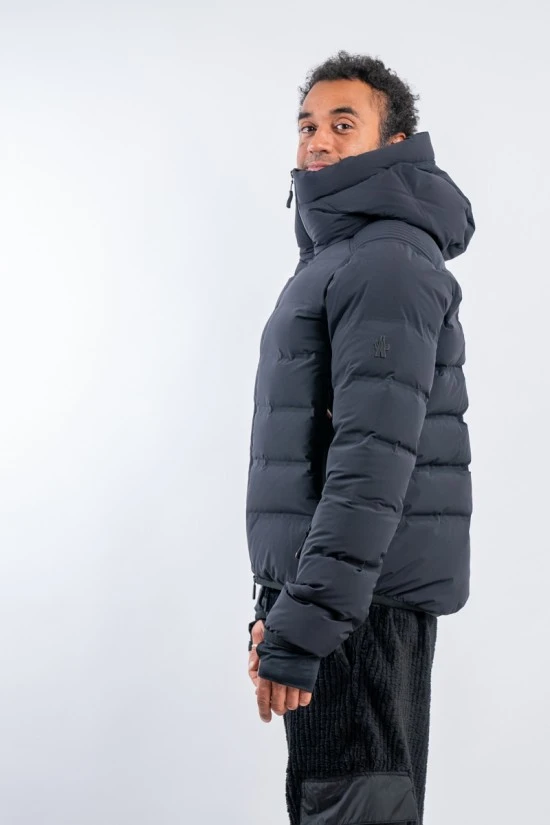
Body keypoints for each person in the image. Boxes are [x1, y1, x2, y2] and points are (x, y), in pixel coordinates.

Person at [245, 49, 474, 825]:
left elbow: (371, 466)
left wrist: (305, 618)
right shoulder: (343, 257)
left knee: (355, 806)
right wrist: (279, 607)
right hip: (336, 599)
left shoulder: (384, 262)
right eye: (308, 124)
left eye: (344, 124)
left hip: (355, 609)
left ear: (394, 143)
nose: (317, 139)